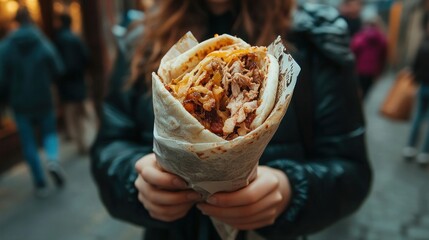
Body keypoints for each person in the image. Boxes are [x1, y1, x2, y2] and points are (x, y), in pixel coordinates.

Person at [91, 1, 372, 240]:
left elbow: (351, 171)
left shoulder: (314, 41)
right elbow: (108, 148)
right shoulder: (140, 42)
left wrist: (290, 191)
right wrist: (134, 181)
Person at [0, 8, 66, 197]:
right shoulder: (41, 42)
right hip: (43, 99)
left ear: (16, 22)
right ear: (31, 20)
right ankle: (52, 159)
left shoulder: (5, 47)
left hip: (19, 102)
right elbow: (58, 68)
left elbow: (1, 78)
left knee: (28, 142)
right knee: (49, 133)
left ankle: (40, 183)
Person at [54, 13, 93, 154]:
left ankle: (78, 142)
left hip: (65, 84)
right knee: (82, 113)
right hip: (78, 81)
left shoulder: (58, 40)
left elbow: (56, 64)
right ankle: (85, 142)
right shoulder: (75, 39)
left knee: (71, 115)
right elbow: (86, 57)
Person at [403, 13, 429, 166]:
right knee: (419, 117)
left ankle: (411, 148)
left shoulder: (423, 43)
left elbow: (415, 66)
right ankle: (423, 153)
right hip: (423, 85)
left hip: (422, 85)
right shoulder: (423, 43)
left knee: (418, 117)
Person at [351, 13, 387, 98]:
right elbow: (383, 57)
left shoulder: (361, 36)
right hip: (372, 71)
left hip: (359, 69)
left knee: (356, 92)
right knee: (365, 92)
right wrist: (380, 72)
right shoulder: (382, 38)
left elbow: (353, 49)